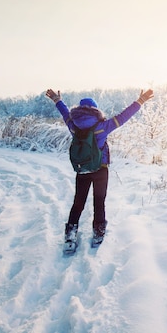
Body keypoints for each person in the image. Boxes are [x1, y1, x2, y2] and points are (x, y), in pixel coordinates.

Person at [45, 88, 154, 246]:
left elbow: (64, 113)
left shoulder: (73, 126)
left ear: (79, 110)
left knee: (78, 202)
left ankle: (70, 235)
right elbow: (124, 116)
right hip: (100, 170)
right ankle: (98, 233)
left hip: (82, 169)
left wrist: (56, 99)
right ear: (96, 110)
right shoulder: (103, 126)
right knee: (99, 201)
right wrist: (141, 100)